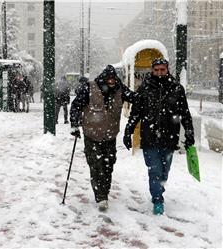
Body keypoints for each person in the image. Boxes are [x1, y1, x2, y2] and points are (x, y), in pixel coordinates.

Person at [123, 58, 195, 215]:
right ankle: (157, 199)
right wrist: (128, 131)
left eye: (163, 70)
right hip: (149, 138)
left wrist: (189, 132)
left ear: (167, 69)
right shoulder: (145, 88)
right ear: (152, 70)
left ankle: (158, 191)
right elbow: (136, 113)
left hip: (169, 138)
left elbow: (185, 113)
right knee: (155, 170)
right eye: (157, 70)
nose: (160, 73)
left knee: (164, 171)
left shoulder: (177, 88)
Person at [70, 65, 137, 211]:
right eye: (109, 80)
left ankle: (104, 191)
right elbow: (76, 106)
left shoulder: (120, 89)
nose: (111, 82)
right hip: (92, 135)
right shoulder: (90, 88)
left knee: (108, 165)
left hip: (110, 136)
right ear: (103, 79)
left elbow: (135, 99)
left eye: (113, 79)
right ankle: (100, 196)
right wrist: (74, 125)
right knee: (96, 165)